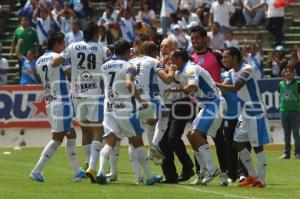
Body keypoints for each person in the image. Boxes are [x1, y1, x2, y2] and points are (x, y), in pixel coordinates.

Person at [95, 39, 162, 185]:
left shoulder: (105, 66)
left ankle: (101, 172)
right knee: (137, 142)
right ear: (127, 52)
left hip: (109, 108)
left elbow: (102, 84)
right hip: (125, 109)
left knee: (109, 142)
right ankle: (149, 177)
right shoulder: (129, 66)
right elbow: (128, 83)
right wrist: (140, 100)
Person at [53, 22, 107, 183]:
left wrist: (70, 70)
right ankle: (92, 166)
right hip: (95, 93)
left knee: (85, 131)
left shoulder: (73, 47)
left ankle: (89, 164)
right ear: (96, 34)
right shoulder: (101, 48)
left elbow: (57, 61)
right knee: (98, 129)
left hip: (77, 94)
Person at [29, 31, 86, 183]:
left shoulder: (39, 60)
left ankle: (77, 172)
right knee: (57, 138)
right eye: (63, 43)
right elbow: (70, 74)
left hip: (49, 102)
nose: (64, 46)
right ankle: (37, 171)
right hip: (62, 102)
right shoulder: (59, 57)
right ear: (57, 44)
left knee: (71, 134)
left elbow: (40, 79)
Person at [216, 47, 272, 188]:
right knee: (237, 143)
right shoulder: (230, 72)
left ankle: (262, 180)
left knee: (257, 146)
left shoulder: (247, 69)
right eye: (222, 57)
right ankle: (252, 176)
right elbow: (225, 86)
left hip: (256, 112)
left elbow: (235, 87)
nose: (224, 60)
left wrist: (214, 84)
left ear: (235, 57)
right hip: (244, 114)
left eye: (226, 57)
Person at [168, 48, 225, 185]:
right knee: (191, 136)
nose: (170, 60)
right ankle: (203, 171)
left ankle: (211, 168)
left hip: (214, 104)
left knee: (197, 135)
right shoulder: (181, 71)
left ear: (178, 59)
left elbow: (192, 87)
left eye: (171, 58)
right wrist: (166, 66)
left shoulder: (190, 69)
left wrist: (178, 89)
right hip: (207, 105)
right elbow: (170, 76)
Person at [189, 26, 228, 186]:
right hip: (199, 104)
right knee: (196, 138)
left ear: (205, 39)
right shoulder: (191, 59)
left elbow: (230, 71)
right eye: (192, 39)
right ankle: (202, 173)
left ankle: (224, 174)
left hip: (216, 104)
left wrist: (222, 87)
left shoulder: (216, 55)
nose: (195, 41)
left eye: (197, 38)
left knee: (219, 140)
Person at [158, 38, 195, 184]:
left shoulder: (182, 64)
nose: (162, 49)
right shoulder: (160, 63)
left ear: (174, 48)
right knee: (163, 141)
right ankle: (170, 176)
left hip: (181, 102)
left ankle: (188, 166)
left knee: (172, 138)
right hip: (168, 105)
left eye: (166, 47)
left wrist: (170, 67)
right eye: (161, 47)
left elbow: (177, 78)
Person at [278, 67, 300, 159]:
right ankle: (286, 154)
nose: (288, 73)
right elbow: (280, 95)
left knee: (296, 133)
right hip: (284, 111)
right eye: (286, 71)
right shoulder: (281, 84)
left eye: (290, 72)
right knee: (286, 134)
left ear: (293, 73)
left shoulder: (298, 84)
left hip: (295, 112)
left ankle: (297, 153)